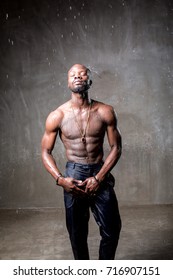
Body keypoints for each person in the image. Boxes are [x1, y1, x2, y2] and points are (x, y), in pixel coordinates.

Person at [41, 64, 122, 260]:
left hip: (99, 170)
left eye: (82, 74)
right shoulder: (57, 115)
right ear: (68, 83)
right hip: (73, 174)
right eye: (72, 75)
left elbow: (116, 148)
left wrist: (99, 177)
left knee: (112, 228)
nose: (77, 77)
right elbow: (45, 151)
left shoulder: (105, 111)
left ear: (89, 80)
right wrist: (61, 179)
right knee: (77, 235)